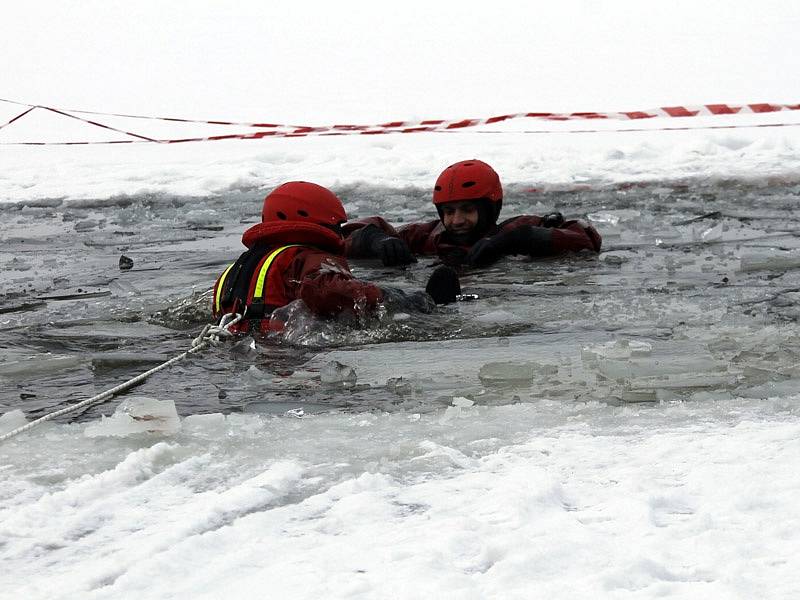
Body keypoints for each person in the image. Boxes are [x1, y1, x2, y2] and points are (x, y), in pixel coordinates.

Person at [212, 181, 460, 334]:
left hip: (240, 346)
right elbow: (328, 291)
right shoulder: (305, 255)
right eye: (336, 225)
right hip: (283, 354)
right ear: (317, 222)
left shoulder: (239, 266)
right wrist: (399, 299)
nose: (339, 233)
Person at [344, 159, 602, 267]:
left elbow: (586, 237)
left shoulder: (513, 232)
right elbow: (346, 233)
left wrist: (513, 242)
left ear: (490, 209)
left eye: (467, 210)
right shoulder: (429, 237)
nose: (456, 221)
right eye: (448, 211)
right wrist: (376, 240)